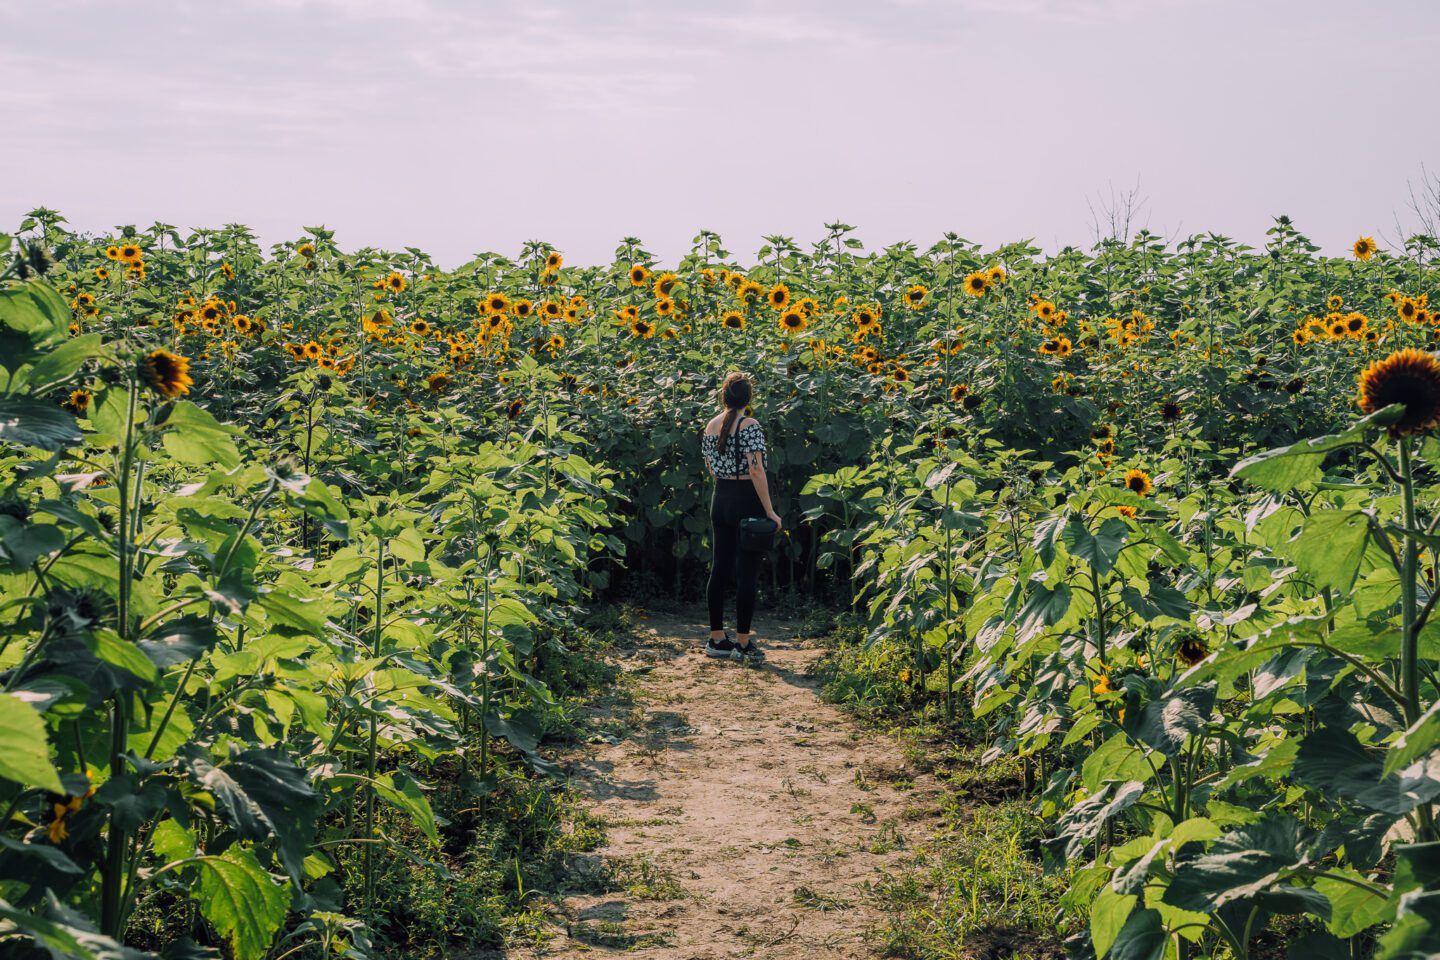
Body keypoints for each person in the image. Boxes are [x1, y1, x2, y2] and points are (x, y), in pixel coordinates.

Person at [700, 371, 782, 661]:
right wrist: (770, 511)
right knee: (747, 570)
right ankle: (743, 643)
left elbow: (710, 467)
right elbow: (756, 469)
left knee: (719, 567)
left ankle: (716, 638)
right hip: (746, 499)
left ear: (724, 396)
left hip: (719, 498)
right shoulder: (750, 425)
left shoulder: (711, 425)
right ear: (748, 398)